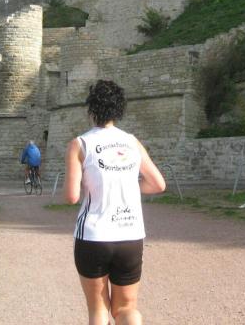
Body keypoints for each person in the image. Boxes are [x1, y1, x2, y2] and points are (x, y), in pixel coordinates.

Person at [64, 80, 166, 325]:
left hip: (93, 236)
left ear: (91, 109)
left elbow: (72, 196)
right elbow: (158, 184)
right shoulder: (132, 141)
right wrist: (129, 186)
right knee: (126, 309)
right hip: (130, 234)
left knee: (98, 310)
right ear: (118, 110)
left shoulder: (80, 144)